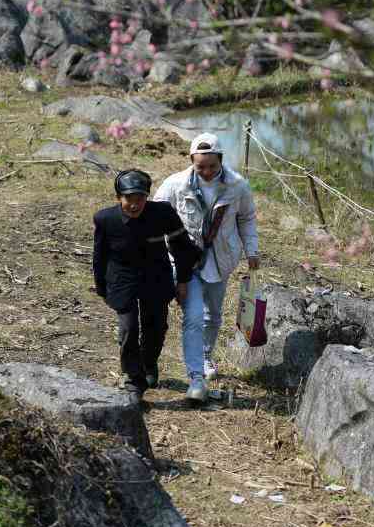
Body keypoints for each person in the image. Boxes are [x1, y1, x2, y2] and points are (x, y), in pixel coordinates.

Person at [154, 133, 260, 403]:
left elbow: (247, 218)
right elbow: (154, 214)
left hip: (220, 258)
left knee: (213, 314)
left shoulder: (237, 185)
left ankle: (205, 355)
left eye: (212, 165)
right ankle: (196, 377)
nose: (207, 171)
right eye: (201, 166)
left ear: (221, 160)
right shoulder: (176, 184)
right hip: (185, 260)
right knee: (193, 316)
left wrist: (252, 250)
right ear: (191, 160)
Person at [93, 168, 200, 399]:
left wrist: (183, 281)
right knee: (129, 328)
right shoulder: (105, 219)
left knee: (156, 327)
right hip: (122, 278)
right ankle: (133, 379)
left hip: (155, 275)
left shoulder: (162, 213)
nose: (134, 204)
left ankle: (148, 364)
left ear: (147, 197)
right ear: (118, 197)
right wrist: (102, 287)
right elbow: (99, 256)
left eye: (140, 198)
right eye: (128, 198)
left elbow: (182, 247)